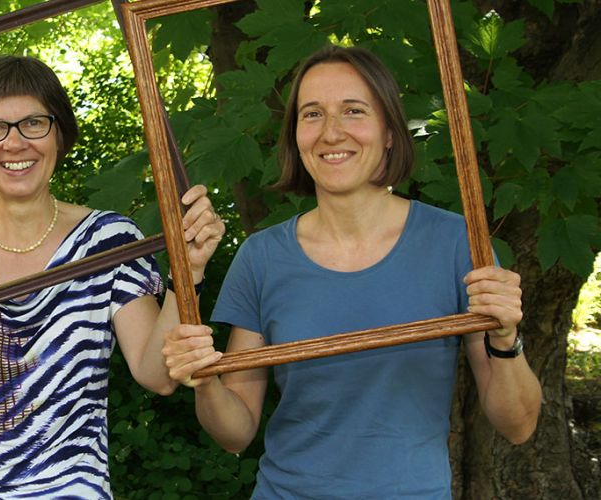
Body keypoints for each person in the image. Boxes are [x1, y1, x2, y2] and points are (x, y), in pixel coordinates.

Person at [162, 45, 543, 498]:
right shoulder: (262, 256)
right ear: (294, 137)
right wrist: (205, 383)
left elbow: (518, 426)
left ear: (389, 132)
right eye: (312, 114)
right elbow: (235, 433)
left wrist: (505, 340)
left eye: (353, 110)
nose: (331, 132)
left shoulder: (457, 244)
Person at [0, 55, 226, 498]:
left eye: (34, 123)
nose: (15, 143)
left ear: (60, 135)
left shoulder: (109, 239)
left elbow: (158, 375)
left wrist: (187, 273)